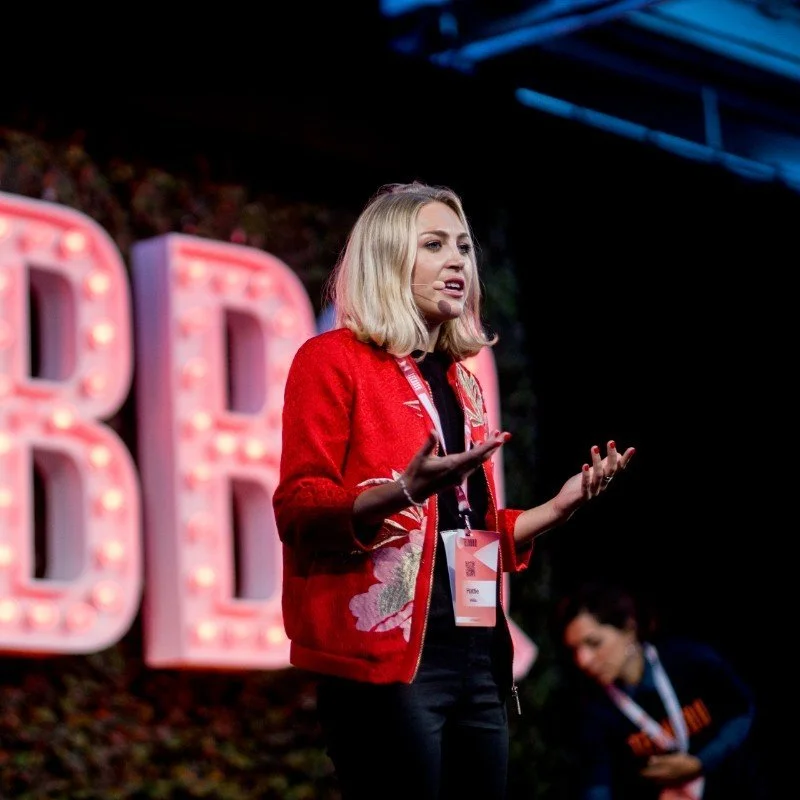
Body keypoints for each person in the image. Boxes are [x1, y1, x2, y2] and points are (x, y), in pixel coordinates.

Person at [272, 180, 636, 800]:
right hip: (385, 668)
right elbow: (300, 507)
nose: (458, 262)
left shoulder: (463, 383)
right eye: (435, 245)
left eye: (464, 248)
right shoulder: (331, 360)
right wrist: (400, 492)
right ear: (388, 259)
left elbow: (474, 536)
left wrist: (560, 505)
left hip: (474, 659)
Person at [556, 581, 768, 800]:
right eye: (575, 650)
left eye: (594, 643)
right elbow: (598, 782)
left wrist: (701, 763)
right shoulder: (595, 713)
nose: (583, 660)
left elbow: (743, 710)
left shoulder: (689, 660)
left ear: (629, 628)